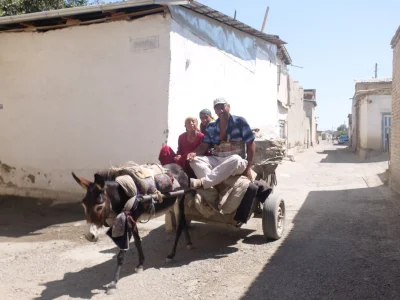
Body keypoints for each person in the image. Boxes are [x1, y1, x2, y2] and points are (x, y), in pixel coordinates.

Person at [187, 97, 256, 190]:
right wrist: (194, 153)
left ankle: (203, 182)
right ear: (215, 111)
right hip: (217, 159)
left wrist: (248, 168)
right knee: (195, 160)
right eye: (217, 108)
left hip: (236, 162)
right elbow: (204, 145)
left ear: (229, 107)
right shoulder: (211, 126)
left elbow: (251, 144)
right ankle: (213, 189)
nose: (221, 110)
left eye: (223, 107)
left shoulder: (240, 122)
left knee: (235, 159)